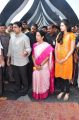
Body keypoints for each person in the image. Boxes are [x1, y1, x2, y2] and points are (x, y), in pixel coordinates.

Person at [7, 21, 31, 95]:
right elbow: (10, 48)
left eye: (15, 27)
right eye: (13, 27)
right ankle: (18, 87)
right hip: (14, 60)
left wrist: (26, 52)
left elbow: (28, 48)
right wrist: (8, 59)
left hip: (22, 61)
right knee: (16, 75)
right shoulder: (12, 37)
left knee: (23, 76)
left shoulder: (25, 37)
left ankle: (25, 88)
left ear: (20, 28)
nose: (13, 29)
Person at [55, 19, 76, 101]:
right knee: (60, 76)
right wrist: (56, 58)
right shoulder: (59, 35)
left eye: (62, 25)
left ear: (67, 26)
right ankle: (62, 91)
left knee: (66, 77)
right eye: (60, 25)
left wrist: (65, 59)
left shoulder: (71, 35)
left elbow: (72, 49)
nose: (60, 27)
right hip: (58, 59)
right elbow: (56, 48)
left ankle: (67, 92)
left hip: (67, 59)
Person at [32, 30, 54, 100]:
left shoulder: (47, 45)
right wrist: (35, 64)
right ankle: (37, 93)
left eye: (38, 35)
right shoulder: (34, 45)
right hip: (36, 65)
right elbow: (33, 55)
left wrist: (40, 65)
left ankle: (43, 94)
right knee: (36, 79)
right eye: (36, 35)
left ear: (42, 37)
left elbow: (48, 57)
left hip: (44, 66)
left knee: (44, 80)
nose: (36, 37)